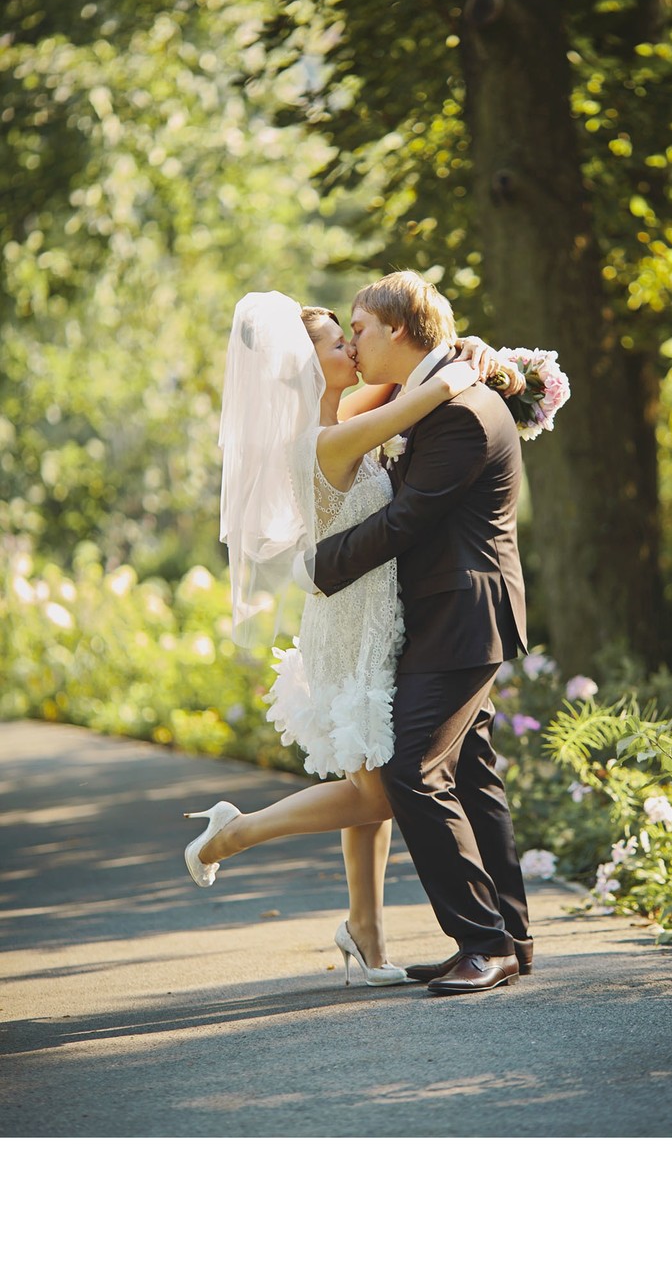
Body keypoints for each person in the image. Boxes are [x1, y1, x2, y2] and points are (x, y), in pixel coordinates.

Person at [183, 288, 507, 987]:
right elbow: (421, 395)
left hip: (364, 616)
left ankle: (365, 931)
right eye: (337, 343)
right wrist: (461, 369)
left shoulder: (338, 416)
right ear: (307, 368)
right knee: (380, 790)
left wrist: (472, 353)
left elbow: (408, 379)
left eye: (349, 334)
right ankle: (234, 832)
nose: (351, 349)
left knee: (367, 776)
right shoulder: (329, 437)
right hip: (350, 620)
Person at [294, 270, 533, 995]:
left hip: (462, 611)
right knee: (468, 772)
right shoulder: (427, 396)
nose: (353, 341)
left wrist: (315, 567)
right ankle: (509, 938)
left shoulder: (458, 408)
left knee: (410, 770)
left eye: (359, 328)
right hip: (445, 612)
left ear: (397, 328)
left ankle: (482, 941)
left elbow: (406, 521)